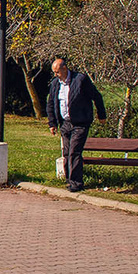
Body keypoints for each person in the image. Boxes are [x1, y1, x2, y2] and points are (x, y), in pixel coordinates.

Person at [46, 57, 107, 193]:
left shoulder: (80, 80)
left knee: (74, 152)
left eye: (57, 72)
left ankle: (77, 183)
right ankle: (70, 180)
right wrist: (52, 123)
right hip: (65, 123)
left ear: (64, 68)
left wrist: (101, 115)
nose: (55, 75)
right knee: (67, 152)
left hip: (80, 122)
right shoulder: (56, 83)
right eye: (54, 72)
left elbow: (96, 96)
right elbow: (51, 103)